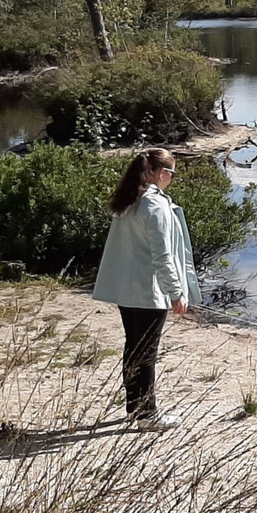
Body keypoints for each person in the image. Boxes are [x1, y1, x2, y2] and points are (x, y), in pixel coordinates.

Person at [93, 148, 201, 431]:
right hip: (147, 292)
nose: (172, 179)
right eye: (172, 174)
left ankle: (136, 409)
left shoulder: (130, 200)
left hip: (127, 291)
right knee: (145, 353)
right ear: (163, 173)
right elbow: (163, 255)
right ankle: (145, 414)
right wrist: (176, 292)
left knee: (134, 348)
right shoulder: (154, 205)